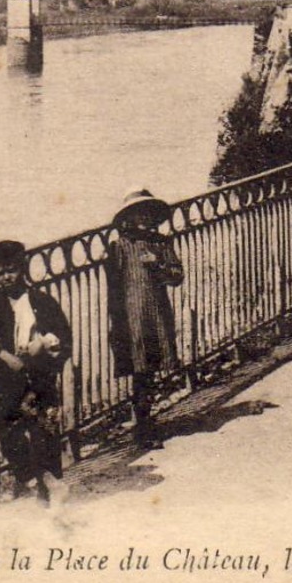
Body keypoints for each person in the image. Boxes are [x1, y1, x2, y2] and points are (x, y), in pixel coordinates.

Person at [0, 239, 72, 502]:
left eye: (11, 270)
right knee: (7, 428)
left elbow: (63, 336)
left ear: (23, 268)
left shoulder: (42, 301)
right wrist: (6, 358)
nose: (6, 277)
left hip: (41, 375)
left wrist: (42, 345)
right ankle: (34, 479)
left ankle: (50, 488)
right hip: (10, 377)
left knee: (46, 430)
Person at [107, 188, 184, 448]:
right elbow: (114, 287)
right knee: (140, 371)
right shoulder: (120, 246)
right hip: (133, 319)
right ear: (128, 218)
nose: (144, 218)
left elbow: (176, 276)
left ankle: (147, 423)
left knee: (151, 370)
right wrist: (118, 324)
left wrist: (157, 264)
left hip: (158, 316)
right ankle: (142, 428)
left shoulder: (162, 243)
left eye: (149, 213)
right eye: (138, 213)